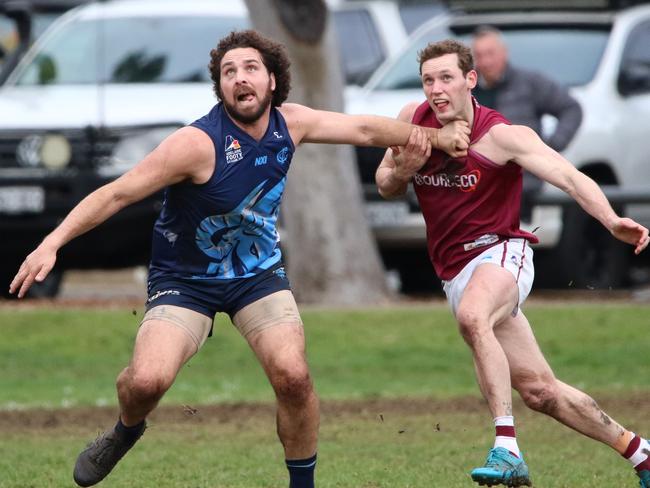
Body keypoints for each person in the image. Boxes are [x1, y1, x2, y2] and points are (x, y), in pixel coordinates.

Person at [8, 30, 469, 488]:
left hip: (257, 275)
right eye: (229, 72)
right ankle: (126, 430)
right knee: (147, 382)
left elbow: (366, 129)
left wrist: (436, 138)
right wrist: (53, 242)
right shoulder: (195, 144)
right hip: (185, 281)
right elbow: (117, 193)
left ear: (272, 80)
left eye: (250, 68)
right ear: (221, 86)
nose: (239, 78)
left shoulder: (293, 123)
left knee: (293, 375)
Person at [375, 39, 650, 487]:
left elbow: (570, 177)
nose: (436, 90)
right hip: (455, 271)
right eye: (428, 80)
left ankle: (506, 447)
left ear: (470, 80)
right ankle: (641, 453)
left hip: (502, 251)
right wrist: (405, 169)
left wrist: (611, 219)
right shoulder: (412, 121)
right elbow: (385, 182)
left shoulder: (501, 135)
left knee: (473, 316)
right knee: (541, 391)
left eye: (446, 78)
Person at [471, 26, 583, 218]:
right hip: (477, 183)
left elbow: (571, 108)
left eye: (490, 53)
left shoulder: (529, 82)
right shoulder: (467, 90)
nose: (485, 61)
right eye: (479, 55)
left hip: (522, 184)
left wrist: (549, 146)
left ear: (504, 53)